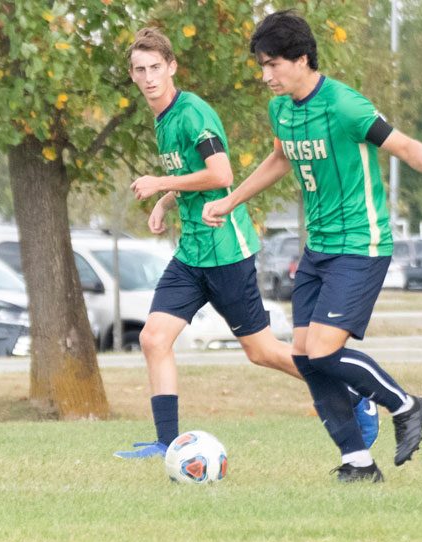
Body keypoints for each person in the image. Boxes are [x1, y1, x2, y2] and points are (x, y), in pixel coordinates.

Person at [202, 10, 422, 482]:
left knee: (323, 351)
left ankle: (405, 405)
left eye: (273, 64)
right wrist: (231, 200)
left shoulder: (343, 104)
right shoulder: (281, 109)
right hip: (317, 248)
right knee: (305, 357)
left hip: (361, 243)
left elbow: (397, 143)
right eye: (262, 65)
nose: (266, 75)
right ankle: (357, 462)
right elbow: (279, 160)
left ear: (302, 58)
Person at [114, 27, 377, 459]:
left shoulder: (193, 113)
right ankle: (166, 443)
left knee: (262, 352)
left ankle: (352, 395)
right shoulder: (162, 119)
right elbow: (194, 175)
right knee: (153, 338)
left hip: (226, 252)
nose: (148, 77)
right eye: (140, 70)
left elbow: (221, 175)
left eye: (156, 68)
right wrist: (166, 199)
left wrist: (160, 181)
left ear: (172, 67)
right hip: (192, 253)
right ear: (132, 75)